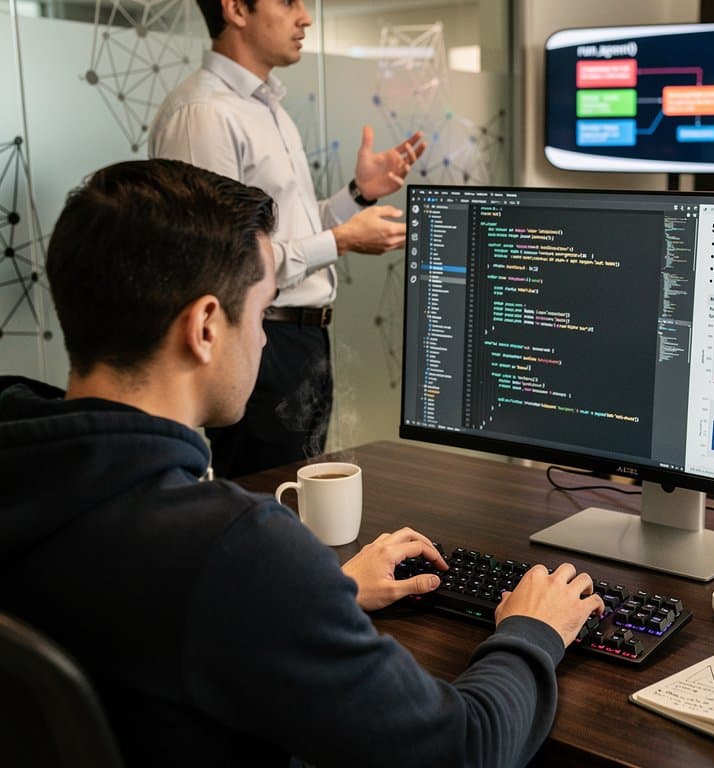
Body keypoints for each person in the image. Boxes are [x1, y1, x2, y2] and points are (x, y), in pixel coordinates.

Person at [0, 159, 604, 767]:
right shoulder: (235, 549)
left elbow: (147, 620)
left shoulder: (33, 473)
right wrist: (532, 631)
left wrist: (323, 595)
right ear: (205, 327)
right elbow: (465, 751)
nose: (264, 338)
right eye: (264, 311)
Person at [149, 0, 427, 478]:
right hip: (258, 343)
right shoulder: (204, 114)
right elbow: (219, 262)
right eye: (288, 1)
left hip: (300, 340)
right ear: (236, 9)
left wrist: (357, 195)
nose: (306, 17)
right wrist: (340, 241)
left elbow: (284, 231)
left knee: (297, 502)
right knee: (267, 501)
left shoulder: (266, 108)